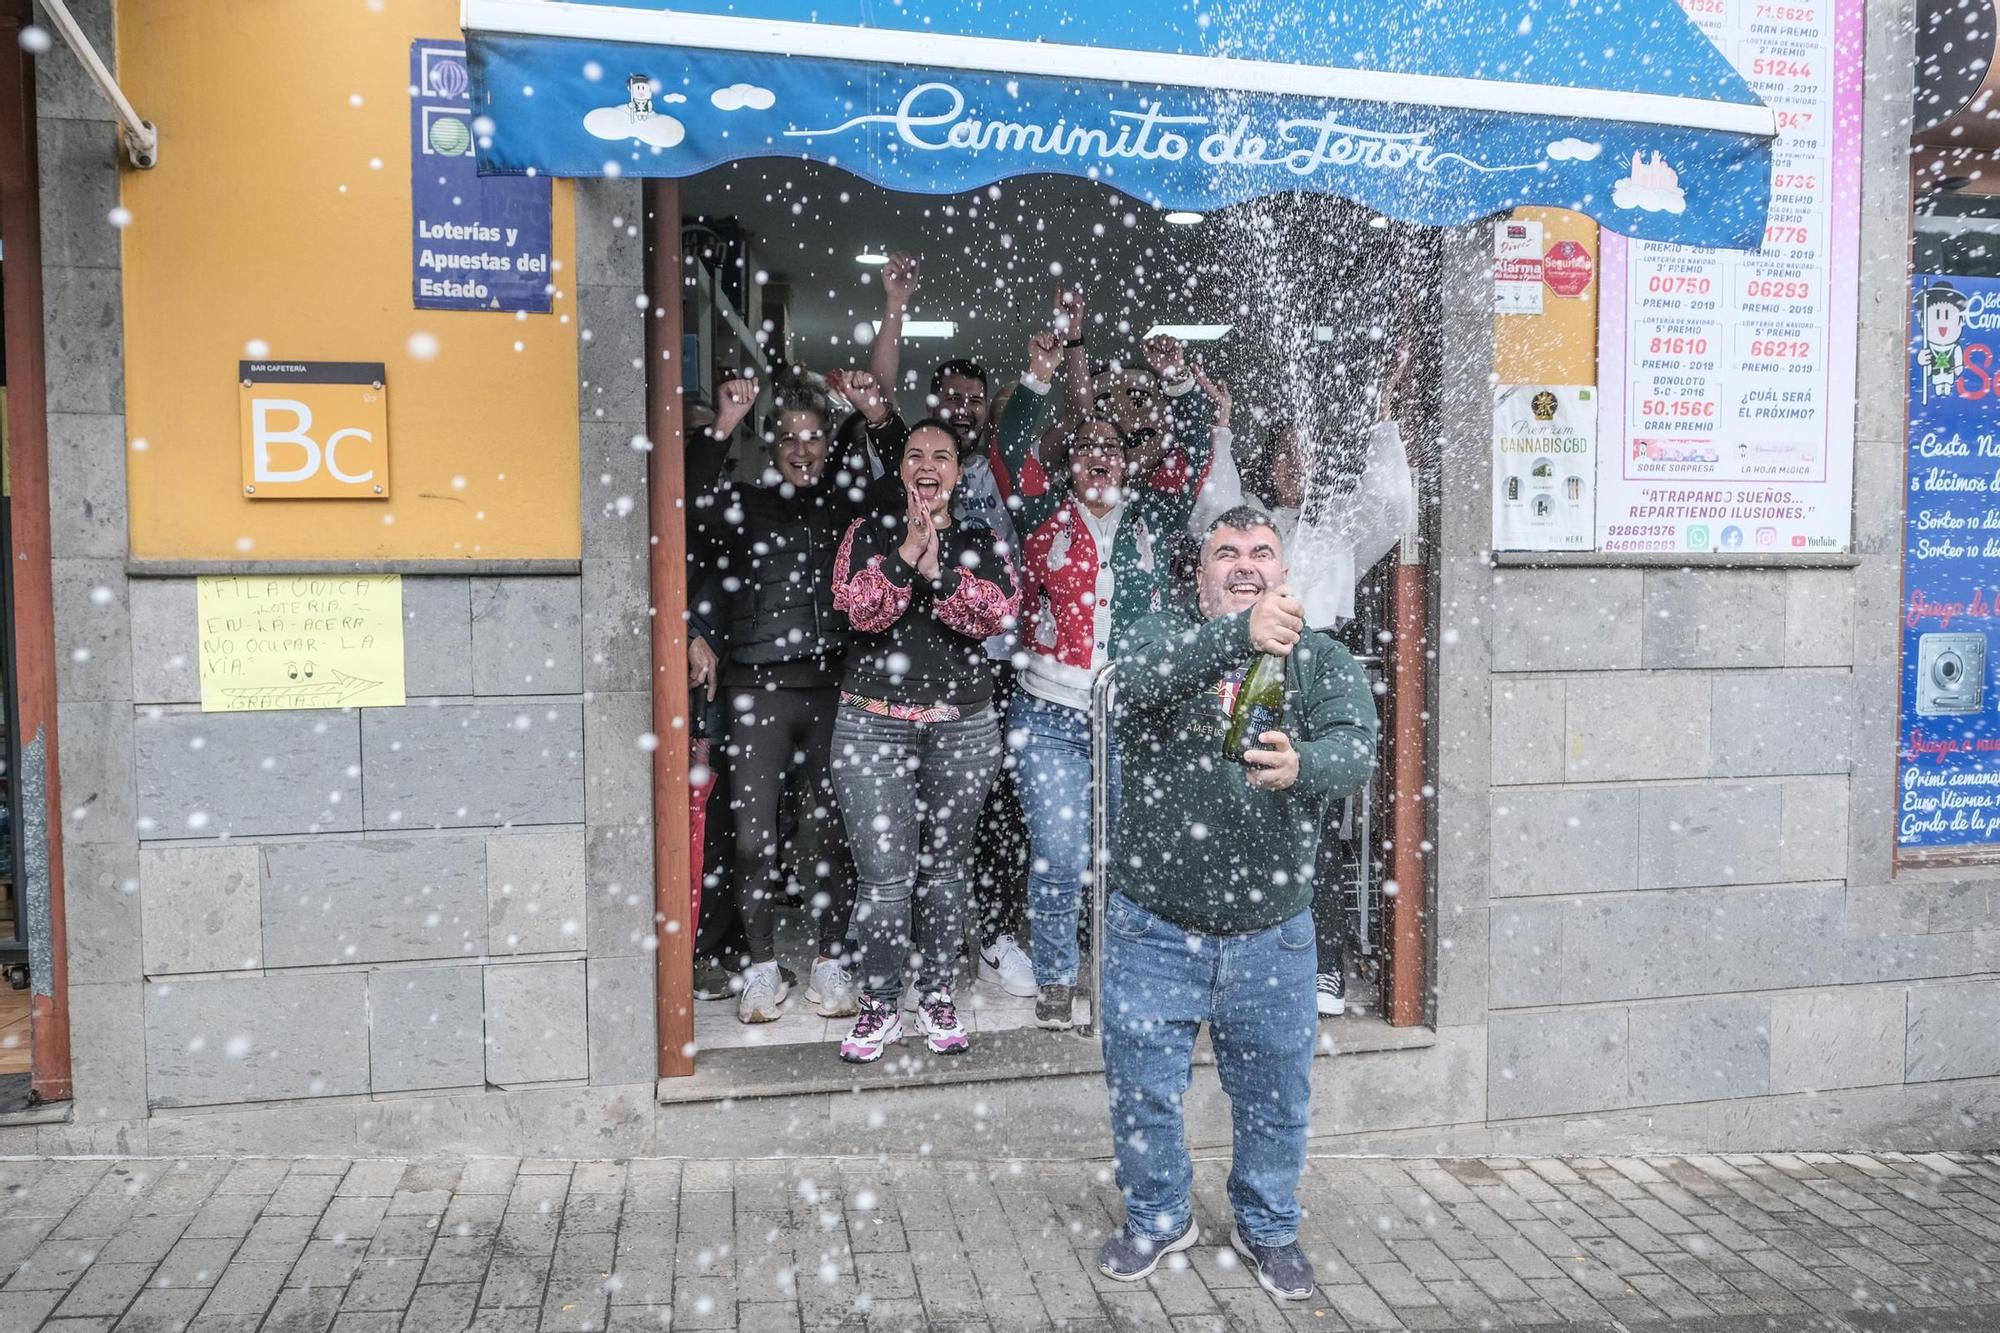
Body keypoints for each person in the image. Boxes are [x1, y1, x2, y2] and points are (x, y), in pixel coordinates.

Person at [1096, 506, 1378, 1298]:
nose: (1246, 563)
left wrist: (1305, 767)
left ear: (1283, 573)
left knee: (1275, 1097)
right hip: (1155, 925)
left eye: (1262, 552)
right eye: (1227, 552)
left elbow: (1356, 748)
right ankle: (1157, 1214)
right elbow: (1134, 685)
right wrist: (1239, 635)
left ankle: (1267, 1225)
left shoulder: (1319, 659)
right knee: (1143, 1087)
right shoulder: (1164, 637)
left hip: (1272, 935)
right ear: (1202, 573)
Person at [1001, 324, 1226, 1030]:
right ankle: (1058, 979)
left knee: (1130, 857)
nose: (1098, 456)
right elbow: (1008, 449)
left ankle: (1124, 973)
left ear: (1128, 462)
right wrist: (1038, 380)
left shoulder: (1154, 514)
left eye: (1110, 447)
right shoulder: (1039, 512)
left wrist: (1181, 383)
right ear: (1068, 462)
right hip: (1048, 717)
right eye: (1085, 447)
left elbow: (1190, 458)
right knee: (1062, 852)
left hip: (1129, 714)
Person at [828, 419, 1019, 1063]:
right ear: (901, 470)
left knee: (944, 870)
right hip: (872, 724)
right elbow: (861, 610)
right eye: (915, 456)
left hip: (961, 726)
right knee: (884, 878)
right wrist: (907, 555)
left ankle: (936, 991)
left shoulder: (980, 539)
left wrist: (939, 568)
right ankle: (880, 1002)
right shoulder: (867, 534)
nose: (928, 465)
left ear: (959, 472)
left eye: (942, 455)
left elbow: (991, 615)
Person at [689, 368, 869, 1024]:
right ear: (770, 445)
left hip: (828, 688)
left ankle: (829, 960)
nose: (802, 448)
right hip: (755, 689)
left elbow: (891, 484)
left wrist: (863, 416)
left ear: (826, 444)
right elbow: (684, 507)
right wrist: (721, 426)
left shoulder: (846, 504)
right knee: (753, 839)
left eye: (814, 437)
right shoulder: (742, 504)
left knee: (830, 832)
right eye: (789, 437)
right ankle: (762, 968)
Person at [1259, 348, 1415, 1014]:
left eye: (1304, 454)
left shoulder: (1338, 529)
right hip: (1256, 680)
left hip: (1316, 683)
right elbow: (1206, 511)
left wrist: (1383, 419)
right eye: (1282, 455)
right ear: (1266, 467)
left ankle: (1323, 963)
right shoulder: (1247, 523)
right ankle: (1258, 955)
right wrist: (1223, 430)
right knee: (1251, 821)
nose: (1294, 466)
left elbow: (1395, 505)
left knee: (1317, 830)